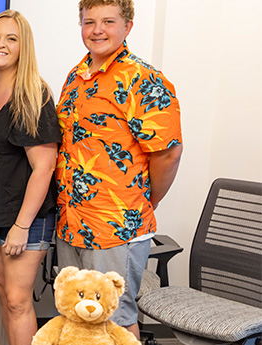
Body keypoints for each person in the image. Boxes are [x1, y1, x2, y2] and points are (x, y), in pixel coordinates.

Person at [55, 0, 183, 339]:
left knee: (114, 316)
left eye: (108, 21)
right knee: (79, 315)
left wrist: (143, 201)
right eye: (89, 21)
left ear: (128, 26)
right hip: (72, 223)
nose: (97, 30)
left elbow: (167, 154)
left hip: (116, 227)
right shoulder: (76, 76)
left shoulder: (144, 80)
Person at [0, 10, 61, 345]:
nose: (0, 44)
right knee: (5, 293)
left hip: (26, 217)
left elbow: (44, 168)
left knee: (18, 300)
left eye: (11, 38)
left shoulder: (34, 94)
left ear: (24, 47)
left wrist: (21, 226)